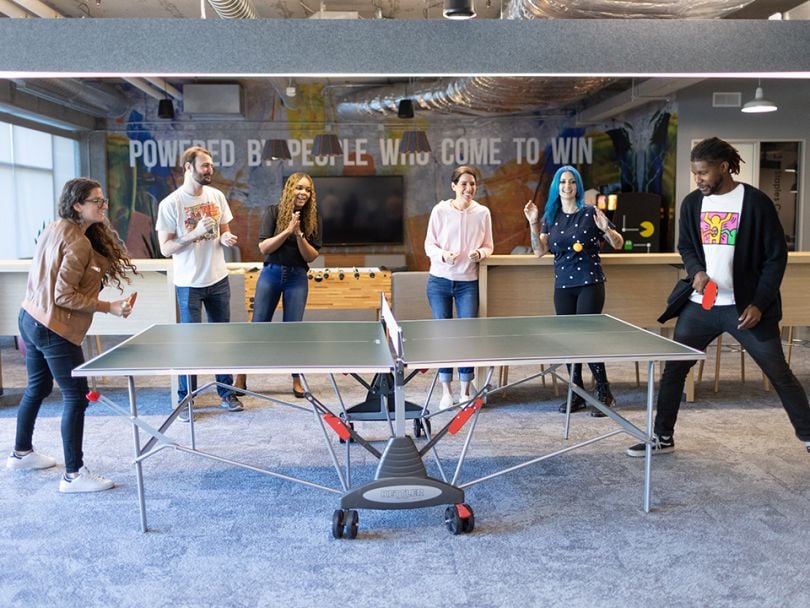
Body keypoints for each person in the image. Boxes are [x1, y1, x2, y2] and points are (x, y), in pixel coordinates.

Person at [628, 137, 810, 456]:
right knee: (675, 369)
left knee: (779, 373)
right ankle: (662, 437)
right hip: (702, 307)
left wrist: (759, 303)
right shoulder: (692, 204)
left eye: (703, 172)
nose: (698, 179)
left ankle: (808, 436)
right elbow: (686, 247)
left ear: (723, 167)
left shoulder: (756, 203)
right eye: (694, 173)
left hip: (745, 308)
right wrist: (696, 270)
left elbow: (775, 257)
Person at [6, 178, 136, 492]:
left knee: (37, 387)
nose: (104, 206)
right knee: (76, 397)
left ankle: (21, 453)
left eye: (103, 200)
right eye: (97, 201)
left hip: (30, 317)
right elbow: (63, 296)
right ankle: (74, 475)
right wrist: (109, 307)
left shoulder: (56, 228)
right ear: (78, 205)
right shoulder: (78, 242)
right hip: (53, 327)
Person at [524, 165, 625, 416]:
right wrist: (532, 223)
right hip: (563, 287)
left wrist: (605, 228)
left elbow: (618, 244)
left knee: (587, 338)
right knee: (569, 341)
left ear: (577, 186)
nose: (566, 187)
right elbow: (539, 251)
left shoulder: (591, 212)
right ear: (556, 188)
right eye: (562, 183)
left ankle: (604, 392)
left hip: (590, 283)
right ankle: (576, 393)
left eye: (571, 182)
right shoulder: (551, 216)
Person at [156, 145, 243, 420]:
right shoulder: (171, 204)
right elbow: (166, 249)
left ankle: (226, 392)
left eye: (211, 165)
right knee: (189, 344)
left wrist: (226, 238)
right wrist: (194, 233)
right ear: (189, 167)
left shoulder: (216, 196)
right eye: (205, 165)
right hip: (188, 283)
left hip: (218, 278)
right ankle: (187, 399)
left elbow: (224, 231)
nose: (210, 169)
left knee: (221, 340)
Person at [424, 166, 494, 410]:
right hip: (439, 281)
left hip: (468, 283)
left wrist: (479, 253)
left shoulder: (482, 212)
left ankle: (465, 389)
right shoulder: (440, 210)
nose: (468, 189)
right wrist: (444, 255)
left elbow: (489, 245)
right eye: (463, 184)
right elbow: (429, 246)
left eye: (472, 184)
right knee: (444, 336)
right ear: (453, 186)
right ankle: (446, 390)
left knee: (466, 336)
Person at [253, 173, 322, 398]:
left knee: (294, 331)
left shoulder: (314, 219)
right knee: (258, 326)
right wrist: (287, 230)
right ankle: (242, 374)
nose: (303, 193)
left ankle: (296, 378)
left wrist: (300, 235)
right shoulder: (273, 212)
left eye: (308, 190)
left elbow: (311, 256)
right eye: (299, 188)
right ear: (289, 189)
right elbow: (264, 248)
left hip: (297, 277)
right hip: (271, 274)